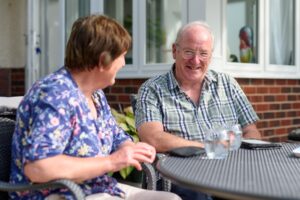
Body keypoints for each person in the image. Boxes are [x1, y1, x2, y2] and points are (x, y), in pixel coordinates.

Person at [9, 15, 181, 200]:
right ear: (102, 61)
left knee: (170, 199)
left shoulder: (95, 94)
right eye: (122, 56)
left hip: (96, 189)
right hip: (57, 194)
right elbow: (38, 167)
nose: (123, 63)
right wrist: (112, 161)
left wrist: (131, 149)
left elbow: (116, 135)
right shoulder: (54, 95)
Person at [135, 21, 261, 200]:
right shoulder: (152, 89)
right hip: (180, 178)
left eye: (203, 53)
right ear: (174, 51)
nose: (195, 61)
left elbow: (251, 130)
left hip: (231, 172)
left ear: (210, 56)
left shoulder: (227, 84)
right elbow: (153, 138)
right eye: (188, 52)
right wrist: (209, 147)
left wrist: (239, 157)